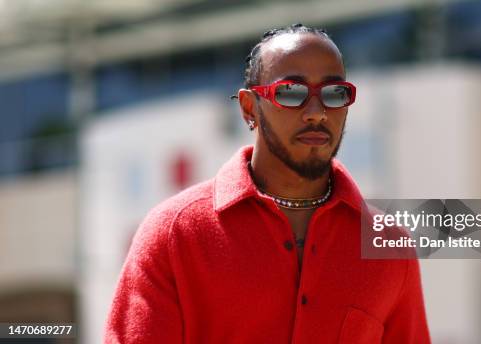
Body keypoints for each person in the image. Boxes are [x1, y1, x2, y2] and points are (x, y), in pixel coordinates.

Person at [104, 23, 430, 343]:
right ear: (249, 109)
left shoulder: (390, 246)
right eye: (291, 92)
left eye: (334, 93)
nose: (316, 112)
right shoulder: (174, 234)